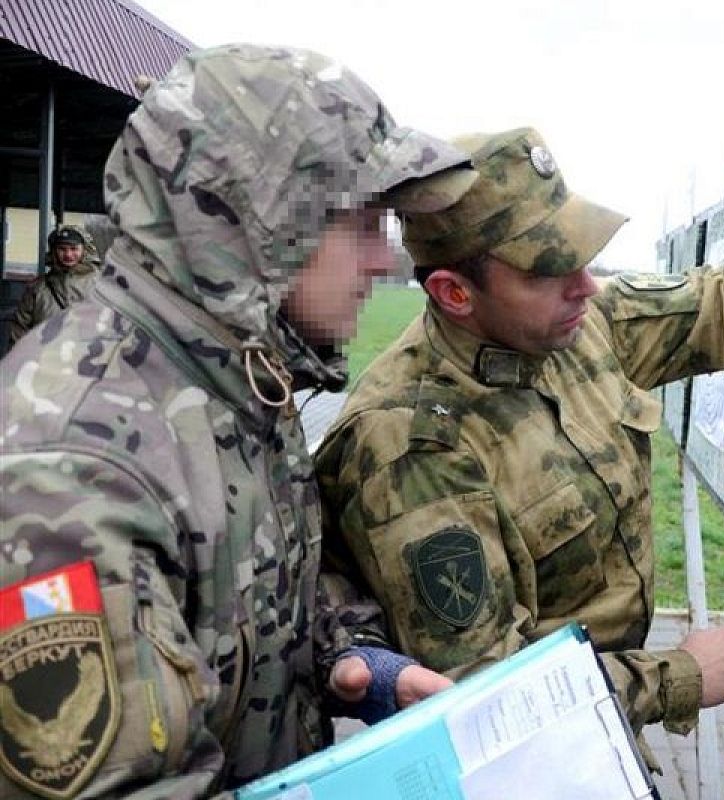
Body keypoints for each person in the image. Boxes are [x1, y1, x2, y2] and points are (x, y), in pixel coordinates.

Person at [313, 127, 724, 760]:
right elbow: (489, 695)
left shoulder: (573, 326)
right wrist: (679, 675)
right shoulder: (411, 448)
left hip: (600, 715)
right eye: (548, 269)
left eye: (580, 254)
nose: (586, 286)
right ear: (455, 293)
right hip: (528, 763)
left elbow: (717, 303)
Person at [0, 44, 478, 799]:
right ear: (264, 223)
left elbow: (261, 575)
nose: (386, 264)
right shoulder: (70, 472)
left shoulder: (233, 376)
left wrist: (354, 662)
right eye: (363, 225)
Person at [7, 224, 101, 346]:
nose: (68, 254)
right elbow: (20, 328)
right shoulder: (38, 288)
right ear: (54, 251)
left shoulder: (100, 285)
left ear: (84, 250)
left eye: (74, 249)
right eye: (62, 249)